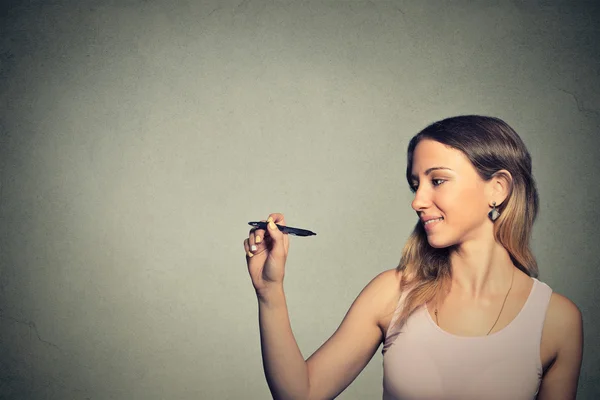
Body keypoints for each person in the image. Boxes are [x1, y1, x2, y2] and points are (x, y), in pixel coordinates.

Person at [242, 115, 583, 400]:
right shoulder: (392, 293)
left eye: (437, 181)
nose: (417, 200)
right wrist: (269, 293)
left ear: (497, 188)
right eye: (415, 184)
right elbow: (302, 394)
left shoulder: (557, 320)